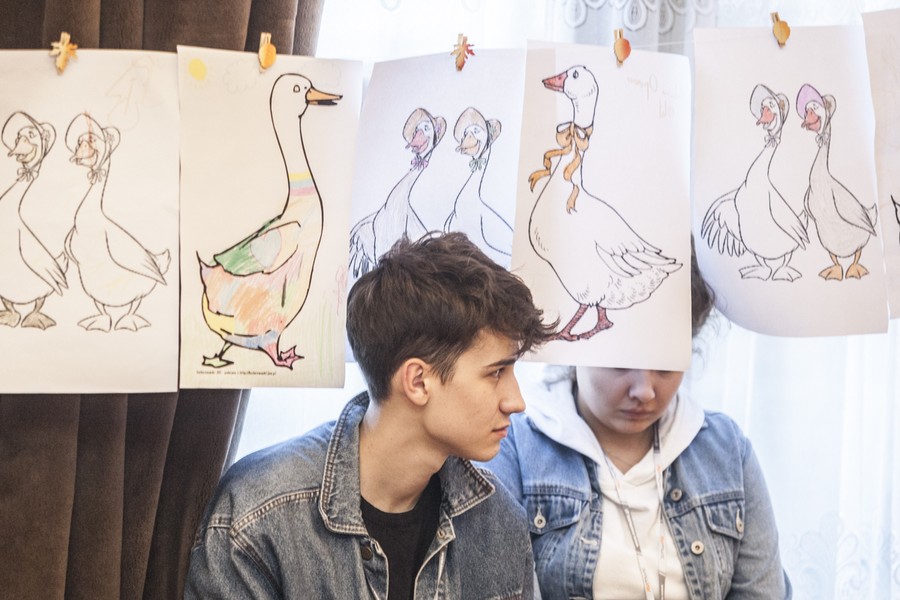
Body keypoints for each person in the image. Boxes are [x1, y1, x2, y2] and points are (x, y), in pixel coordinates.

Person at [184, 231, 556, 599]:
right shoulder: (257, 517)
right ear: (418, 381)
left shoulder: (499, 520)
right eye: (496, 372)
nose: (516, 401)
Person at [484, 243, 792, 600]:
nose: (644, 391)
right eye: (621, 364)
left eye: (665, 366)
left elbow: (763, 592)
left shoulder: (727, 452)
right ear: (576, 345)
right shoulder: (513, 448)